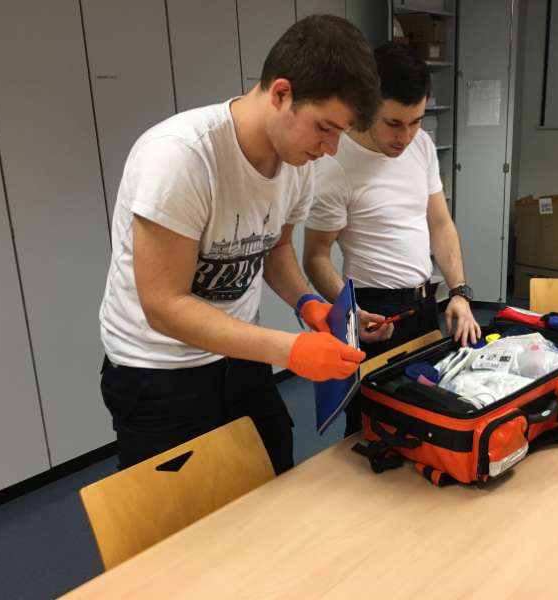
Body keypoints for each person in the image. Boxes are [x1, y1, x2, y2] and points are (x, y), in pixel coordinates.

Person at [98, 15, 380, 473]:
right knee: (181, 529)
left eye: (341, 134)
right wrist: (290, 350)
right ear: (281, 93)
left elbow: (276, 248)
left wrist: (307, 302)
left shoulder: (298, 163)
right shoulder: (181, 158)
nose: (329, 148)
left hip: (240, 358)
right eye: (324, 127)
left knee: (272, 483)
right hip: (159, 373)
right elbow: (163, 305)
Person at [303, 42, 480, 437]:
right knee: (373, 429)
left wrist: (460, 292)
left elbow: (440, 223)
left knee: (430, 419)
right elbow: (315, 257)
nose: (406, 136)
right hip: (372, 314)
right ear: (366, 107)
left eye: (416, 121)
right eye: (394, 123)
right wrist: (350, 311)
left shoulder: (422, 146)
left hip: (423, 306)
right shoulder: (335, 166)